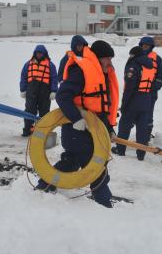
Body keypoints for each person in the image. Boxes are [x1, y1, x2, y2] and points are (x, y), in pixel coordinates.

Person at [35, 40, 119, 208]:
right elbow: (62, 96)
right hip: (78, 130)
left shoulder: (102, 75)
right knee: (96, 166)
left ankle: (44, 186)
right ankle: (104, 203)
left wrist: (108, 129)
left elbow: (101, 107)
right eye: (107, 59)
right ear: (99, 58)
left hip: (92, 130)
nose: (110, 63)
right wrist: (76, 119)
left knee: (71, 161)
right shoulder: (81, 71)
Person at [111, 46, 153, 161]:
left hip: (134, 101)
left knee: (125, 125)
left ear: (134, 55)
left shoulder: (133, 66)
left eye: (131, 55)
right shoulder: (149, 66)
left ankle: (120, 149)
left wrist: (124, 104)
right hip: (146, 100)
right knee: (142, 128)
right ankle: (141, 153)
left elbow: (130, 87)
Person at [20, 45, 58, 137]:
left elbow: (54, 78)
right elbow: (23, 77)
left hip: (45, 91)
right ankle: (28, 129)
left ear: (44, 53)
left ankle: (43, 131)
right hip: (31, 90)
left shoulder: (50, 65)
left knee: (44, 112)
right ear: (34, 53)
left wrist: (54, 91)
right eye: (37, 53)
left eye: (40, 53)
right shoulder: (28, 64)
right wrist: (22, 89)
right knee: (29, 110)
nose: (39, 54)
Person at [139, 36, 162, 140]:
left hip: (150, 93)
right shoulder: (136, 56)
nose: (144, 47)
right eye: (143, 45)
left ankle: (146, 136)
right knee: (132, 114)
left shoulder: (157, 59)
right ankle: (136, 135)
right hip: (137, 92)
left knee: (148, 115)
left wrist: (154, 87)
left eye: (147, 45)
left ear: (151, 46)